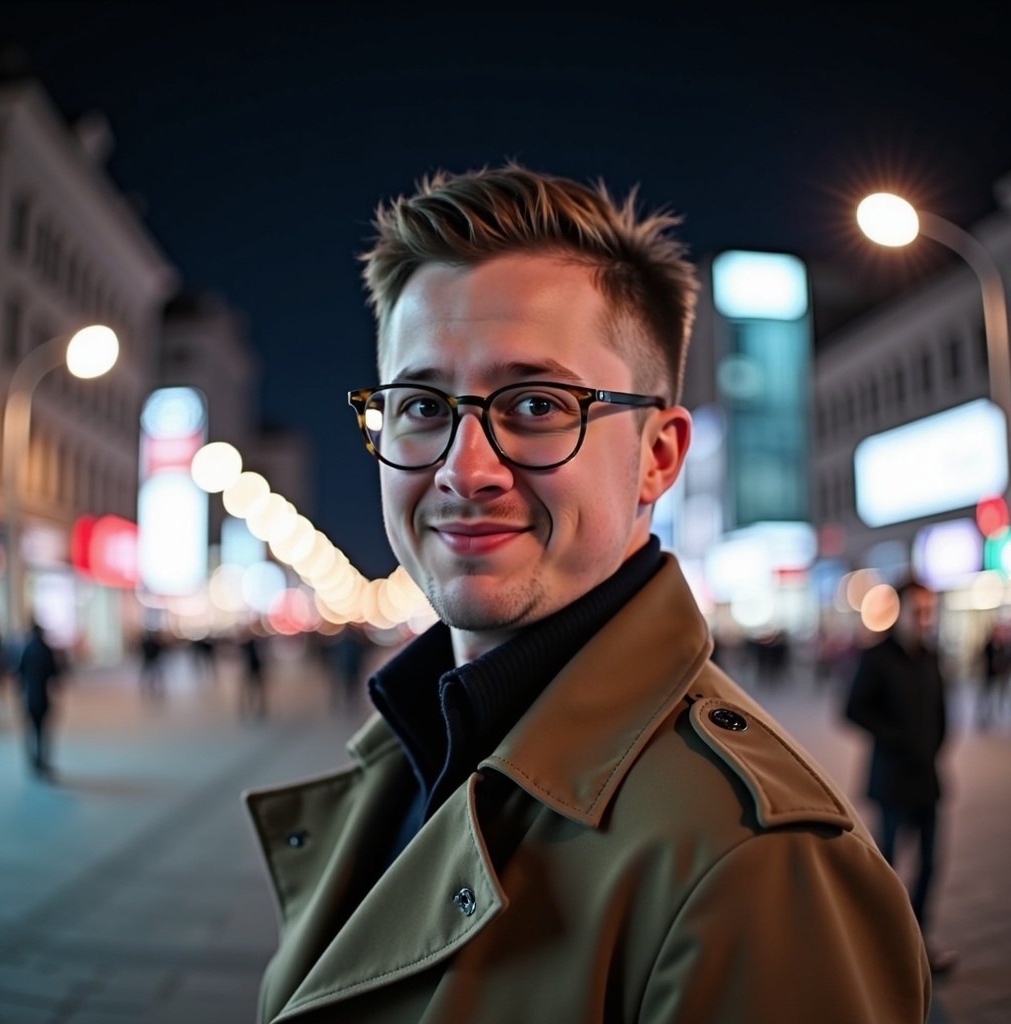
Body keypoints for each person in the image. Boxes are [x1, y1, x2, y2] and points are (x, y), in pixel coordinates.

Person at [245, 163, 930, 1022]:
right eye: (421, 404)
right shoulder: (410, 742)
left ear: (659, 457)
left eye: (535, 404)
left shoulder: (756, 864)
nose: (465, 470)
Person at [845, 577, 957, 975]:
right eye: (917, 610)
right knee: (888, 865)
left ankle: (920, 937)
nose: (924, 618)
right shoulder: (877, 657)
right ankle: (886, 940)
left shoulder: (929, 656)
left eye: (929, 610)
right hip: (892, 778)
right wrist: (898, 738)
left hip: (927, 777)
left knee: (929, 863)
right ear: (901, 612)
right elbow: (852, 709)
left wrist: (935, 743)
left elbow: (942, 710)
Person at [16, 621, 61, 779]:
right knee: (42, 730)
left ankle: (33, 759)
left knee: (32, 728)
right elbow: (54, 672)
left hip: (30, 695)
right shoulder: (46, 650)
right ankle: (42, 759)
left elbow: (20, 672)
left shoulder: (27, 649)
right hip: (43, 695)